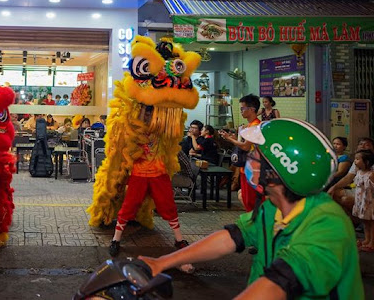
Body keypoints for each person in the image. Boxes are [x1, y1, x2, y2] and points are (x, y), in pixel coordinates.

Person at [140, 118, 365, 300]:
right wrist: (163, 262)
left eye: (256, 156)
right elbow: (231, 237)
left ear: (277, 172)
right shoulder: (272, 209)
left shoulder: (327, 226)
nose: (249, 159)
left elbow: (279, 284)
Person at [108, 106, 192, 272]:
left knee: (168, 206)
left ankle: (179, 240)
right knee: (128, 207)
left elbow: (173, 118)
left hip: (158, 173)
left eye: (150, 112)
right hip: (139, 174)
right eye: (145, 112)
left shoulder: (160, 128)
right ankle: (116, 240)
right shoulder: (133, 129)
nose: (148, 115)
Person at [220, 94, 262, 212]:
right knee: (244, 197)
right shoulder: (248, 125)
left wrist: (230, 139)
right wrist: (234, 138)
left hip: (252, 170)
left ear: (252, 109)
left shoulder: (255, 126)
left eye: (243, 108)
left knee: (250, 201)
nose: (241, 111)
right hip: (246, 168)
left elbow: (245, 146)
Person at [328, 137, 374, 218]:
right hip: (357, 190)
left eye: (366, 145)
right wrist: (334, 187)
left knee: (345, 200)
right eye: (360, 144)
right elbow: (348, 178)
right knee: (333, 193)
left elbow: (341, 172)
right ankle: (354, 220)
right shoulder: (358, 161)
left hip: (368, 194)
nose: (362, 146)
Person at [352, 149, 374, 251]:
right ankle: (366, 239)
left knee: (371, 222)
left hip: (369, 202)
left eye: (357, 159)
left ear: (367, 162)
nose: (355, 161)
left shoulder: (371, 174)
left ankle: (372, 242)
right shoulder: (359, 172)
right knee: (365, 221)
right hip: (361, 201)